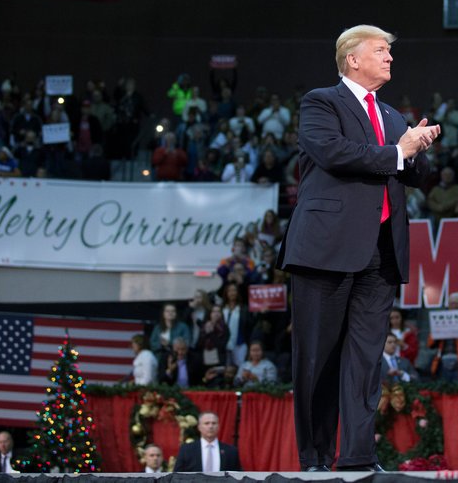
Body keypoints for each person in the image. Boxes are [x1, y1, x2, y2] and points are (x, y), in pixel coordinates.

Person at [276, 24, 438, 473]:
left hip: (381, 252)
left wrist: (416, 148)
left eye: (389, 52)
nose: (389, 58)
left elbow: (411, 174)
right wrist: (397, 151)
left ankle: (358, 459)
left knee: (366, 362)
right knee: (317, 360)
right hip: (325, 249)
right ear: (352, 59)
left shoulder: (391, 115)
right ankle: (314, 459)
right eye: (380, 51)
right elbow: (333, 152)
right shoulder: (320, 102)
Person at [174, 412, 241, 472]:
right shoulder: (187, 450)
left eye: (214, 423)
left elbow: (238, 476)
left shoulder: (231, 451)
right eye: (207, 423)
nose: (211, 426)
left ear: (218, 427)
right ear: (199, 427)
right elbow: (176, 476)